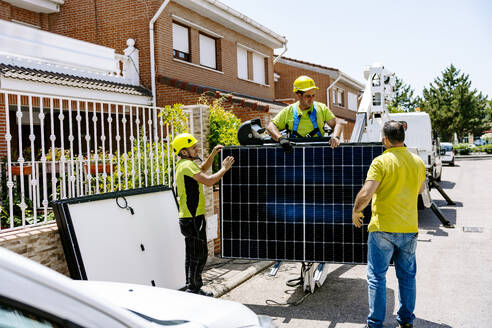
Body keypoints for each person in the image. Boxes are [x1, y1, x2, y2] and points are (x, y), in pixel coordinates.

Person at [352, 121, 426, 328]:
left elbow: (366, 193)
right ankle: (406, 321)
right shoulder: (418, 162)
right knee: (407, 277)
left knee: (377, 277)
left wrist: (356, 210)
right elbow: (420, 190)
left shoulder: (380, 162)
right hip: (409, 229)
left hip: (382, 228)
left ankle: (375, 324)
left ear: (385, 139)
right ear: (403, 138)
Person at [172, 133, 234, 297]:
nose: (196, 149)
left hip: (189, 217)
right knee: (199, 254)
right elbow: (209, 180)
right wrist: (224, 169)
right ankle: (194, 289)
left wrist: (213, 153)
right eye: (193, 147)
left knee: (192, 253)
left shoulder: (184, 165)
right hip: (193, 217)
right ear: (184, 151)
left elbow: (203, 169)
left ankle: (191, 287)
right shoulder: (186, 165)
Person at [266, 75, 343, 152]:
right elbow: (270, 127)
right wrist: (281, 139)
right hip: (295, 152)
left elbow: (337, 123)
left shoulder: (322, 109)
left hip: (318, 151)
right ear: (299, 95)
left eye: (313, 95)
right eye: (308, 96)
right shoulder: (289, 111)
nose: (311, 99)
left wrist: (336, 137)